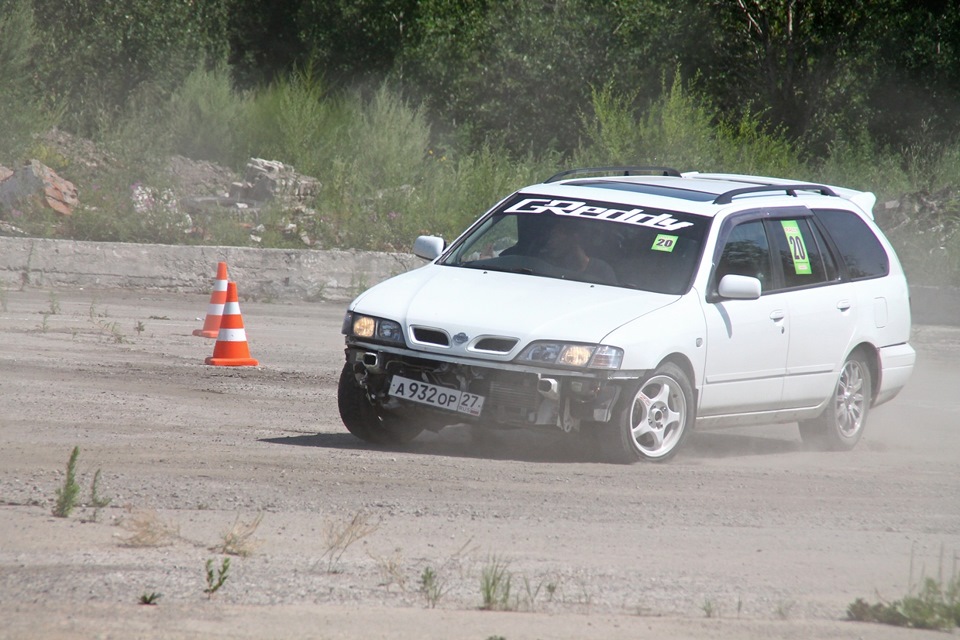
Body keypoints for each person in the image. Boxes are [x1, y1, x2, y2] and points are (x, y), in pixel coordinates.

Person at [539, 218, 617, 284]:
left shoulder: (602, 269)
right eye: (551, 236)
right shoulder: (544, 265)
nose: (550, 241)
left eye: (556, 236)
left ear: (574, 239)